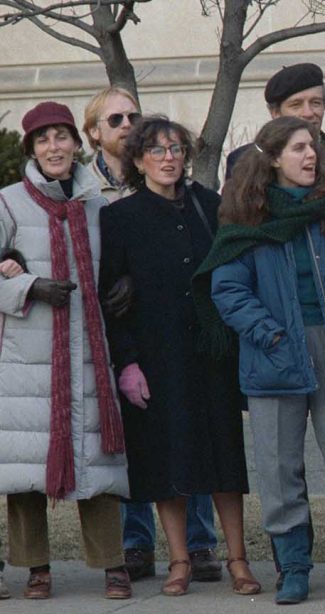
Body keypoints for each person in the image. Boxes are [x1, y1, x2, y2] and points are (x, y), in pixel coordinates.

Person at [201, 116, 325, 606]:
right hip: (272, 355)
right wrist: (267, 332)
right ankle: (293, 569)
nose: (310, 155)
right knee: (279, 469)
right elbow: (226, 289)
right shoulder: (246, 218)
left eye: (312, 147)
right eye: (297, 148)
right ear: (272, 159)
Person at [97, 116, 258, 598]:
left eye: (176, 150)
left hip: (214, 353)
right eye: (157, 150)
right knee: (166, 461)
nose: (168, 158)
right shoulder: (120, 218)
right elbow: (112, 298)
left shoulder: (211, 205)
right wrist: (127, 363)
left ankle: (238, 559)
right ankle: (180, 561)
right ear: (138, 160)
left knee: (225, 459)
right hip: (157, 355)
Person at [83, 86, 223, 584]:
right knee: (145, 449)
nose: (126, 123)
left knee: (199, 441)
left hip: (193, 342)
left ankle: (201, 545)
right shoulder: (87, 193)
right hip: (138, 340)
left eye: (132, 116)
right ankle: (138, 544)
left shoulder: (201, 201)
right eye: (115, 118)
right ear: (95, 132)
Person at [0, 101, 131, 600]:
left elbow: (117, 263)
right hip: (27, 357)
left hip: (88, 352)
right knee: (26, 466)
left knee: (96, 460)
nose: (54, 147)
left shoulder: (97, 202)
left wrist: (126, 285)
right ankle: (35, 567)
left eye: (61, 137)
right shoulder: (9, 203)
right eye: (42, 139)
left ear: (78, 143)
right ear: (30, 148)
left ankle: (111, 563)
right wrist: (29, 287)